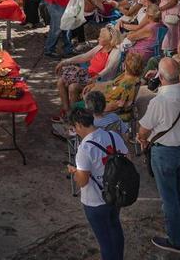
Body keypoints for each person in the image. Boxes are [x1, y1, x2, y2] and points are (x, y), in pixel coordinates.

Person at [137, 58, 180, 254]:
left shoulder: (159, 101)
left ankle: (176, 241)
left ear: (160, 76)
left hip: (164, 152)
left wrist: (142, 139)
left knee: (169, 198)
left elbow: (143, 130)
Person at [67, 107, 128, 260]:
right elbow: (127, 160)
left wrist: (75, 172)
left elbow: (83, 181)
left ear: (79, 125)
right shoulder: (113, 136)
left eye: (74, 128)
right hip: (115, 194)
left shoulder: (84, 148)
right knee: (115, 227)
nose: (75, 131)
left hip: (95, 200)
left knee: (105, 240)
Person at [53, 26, 123, 122]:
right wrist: (65, 62)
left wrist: (95, 78)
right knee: (61, 81)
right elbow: (84, 57)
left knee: (73, 87)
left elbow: (108, 69)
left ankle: (77, 118)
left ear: (109, 40)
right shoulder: (100, 47)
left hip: (99, 81)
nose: (98, 38)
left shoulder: (115, 52)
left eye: (101, 37)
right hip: (87, 76)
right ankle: (68, 112)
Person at [93, 52, 145, 123]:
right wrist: (94, 85)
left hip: (109, 112)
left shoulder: (127, 85)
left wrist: (96, 108)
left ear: (125, 66)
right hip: (105, 102)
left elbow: (116, 105)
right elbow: (113, 84)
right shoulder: (127, 76)